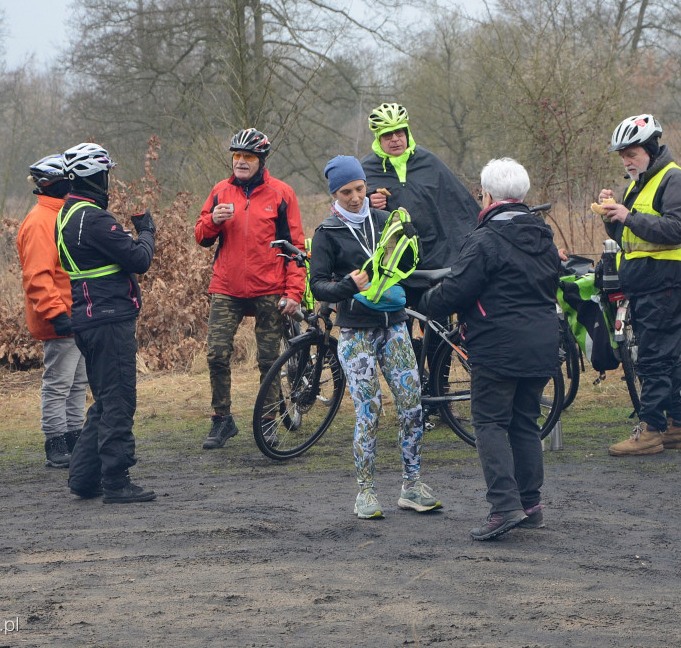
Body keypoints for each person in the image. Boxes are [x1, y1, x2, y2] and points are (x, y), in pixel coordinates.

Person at [421, 158, 560, 540]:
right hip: (542, 342)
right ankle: (530, 504)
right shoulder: (543, 236)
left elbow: (458, 290)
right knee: (525, 421)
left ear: (487, 194)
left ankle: (504, 506)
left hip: (498, 346)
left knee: (490, 422)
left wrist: (427, 299)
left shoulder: (484, 239)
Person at [309, 155, 441, 519]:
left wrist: (413, 248)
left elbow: (406, 260)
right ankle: (365, 492)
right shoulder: (327, 232)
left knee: (413, 406)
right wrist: (345, 286)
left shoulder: (386, 220)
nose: (355, 197)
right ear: (334, 194)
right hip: (355, 332)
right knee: (369, 412)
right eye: (346, 191)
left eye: (359, 188)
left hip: (395, 325)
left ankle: (411, 485)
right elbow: (317, 283)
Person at [194, 128, 306, 449]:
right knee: (216, 354)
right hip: (227, 287)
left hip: (269, 288)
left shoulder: (282, 194)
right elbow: (202, 237)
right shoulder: (220, 191)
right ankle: (221, 419)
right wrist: (213, 219)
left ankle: (269, 419)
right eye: (237, 156)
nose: (241, 162)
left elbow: (296, 248)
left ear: (261, 159)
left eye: (248, 157)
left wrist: (294, 292)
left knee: (269, 360)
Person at [58, 142, 157, 504]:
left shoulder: (67, 214)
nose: (109, 181)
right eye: (106, 174)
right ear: (96, 176)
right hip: (109, 319)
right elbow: (138, 259)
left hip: (88, 318)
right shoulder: (93, 218)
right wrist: (147, 231)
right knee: (118, 401)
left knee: (103, 400)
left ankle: (84, 479)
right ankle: (116, 480)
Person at [594, 114, 681, 456]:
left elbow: (675, 229)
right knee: (667, 358)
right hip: (646, 282)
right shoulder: (640, 182)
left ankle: (651, 430)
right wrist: (612, 218)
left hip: (665, 281)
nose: (626, 160)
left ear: (651, 149)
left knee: (652, 359)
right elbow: (631, 235)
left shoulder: (673, 178)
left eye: (632, 153)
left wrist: (628, 215)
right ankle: (680, 426)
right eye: (622, 154)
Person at [16, 154, 88, 468]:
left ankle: (75, 437)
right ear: (60, 183)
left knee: (78, 383)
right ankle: (55, 443)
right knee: (59, 383)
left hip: (77, 314)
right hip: (60, 318)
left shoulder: (62, 215)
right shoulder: (40, 221)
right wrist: (57, 313)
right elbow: (37, 276)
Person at [361, 102, 479, 284]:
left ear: (407, 133)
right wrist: (367, 202)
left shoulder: (429, 162)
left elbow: (459, 203)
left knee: (433, 310)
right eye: (387, 135)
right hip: (391, 261)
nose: (395, 139)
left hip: (435, 256)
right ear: (378, 138)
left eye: (399, 132)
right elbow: (346, 206)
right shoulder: (365, 169)